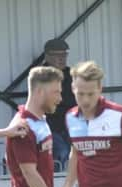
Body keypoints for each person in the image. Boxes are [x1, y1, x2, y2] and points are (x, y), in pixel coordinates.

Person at [41, 38, 76, 170]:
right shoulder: (40, 76)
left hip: (70, 126)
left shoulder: (71, 75)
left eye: (64, 55)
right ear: (47, 56)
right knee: (61, 153)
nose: (62, 58)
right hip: (49, 127)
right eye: (57, 55)